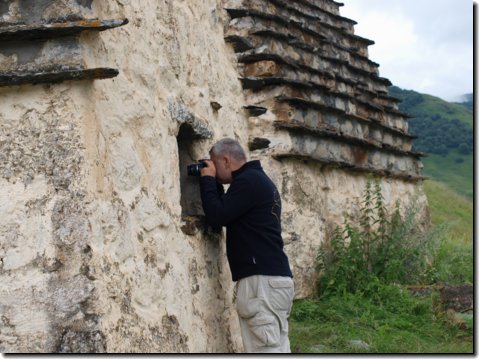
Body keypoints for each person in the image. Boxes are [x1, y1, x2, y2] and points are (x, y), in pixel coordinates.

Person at [199, 138, 294, 353]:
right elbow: (228, 209)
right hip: (273, 278)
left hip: (261, 282)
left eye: (214, 164)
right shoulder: (259, 180)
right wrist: (216, 184)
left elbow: (217, 215)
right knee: (275, 347)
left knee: (266, 350)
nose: (212, 169)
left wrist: (207, 181)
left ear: (225, 160)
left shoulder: (247, 182)